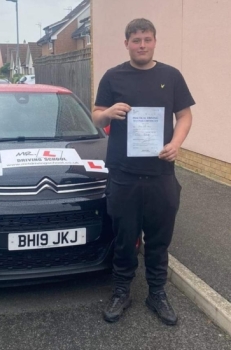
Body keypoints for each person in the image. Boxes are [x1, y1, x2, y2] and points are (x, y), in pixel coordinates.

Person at [92, 18, 195, 325]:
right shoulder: (113, 77)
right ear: (127, 44)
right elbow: (96, 116)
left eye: (147, 39)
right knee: (124, 238)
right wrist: (108, 113)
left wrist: (176, 143)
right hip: (123, 175)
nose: (142, 45)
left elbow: (185, 116)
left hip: (161, 174)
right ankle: (122, 291)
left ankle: (157, 293)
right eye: (135, 40)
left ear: (154, 41)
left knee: (159, 240)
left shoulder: (171, 76)